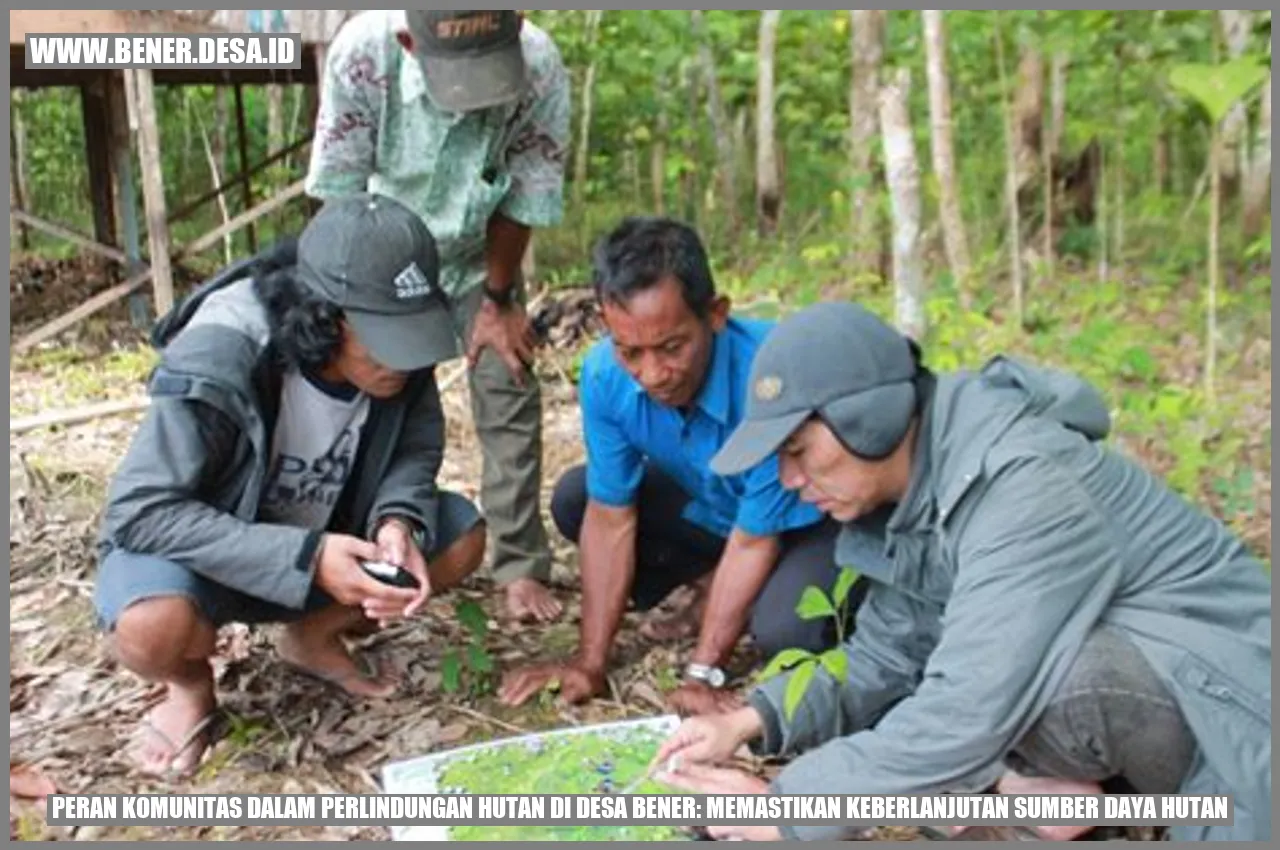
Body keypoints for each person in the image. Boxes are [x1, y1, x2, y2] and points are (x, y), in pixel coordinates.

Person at [652, 301, 1271, 842]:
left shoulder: (1020, 481)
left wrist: (790, 811)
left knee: (1044, 683)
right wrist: (746, 721)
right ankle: (1038, 795)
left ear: (870, 417)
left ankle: (1038, 794)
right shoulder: (913, 491)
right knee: (942, 692)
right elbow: (887, 656)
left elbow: (970, 706)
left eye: (798, 451)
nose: (788, 480)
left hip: (1234, 707)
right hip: (1151, 693)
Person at [93, 193, 487, 780]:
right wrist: (306, 558)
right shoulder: (222, 351)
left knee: (460, 535)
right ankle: (189, 687)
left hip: (329, 542)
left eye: (412, 333)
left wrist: (396, 521)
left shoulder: (401, 355)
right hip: (215, 559)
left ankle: (310, 635)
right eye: (384, 336)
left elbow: (415, 447)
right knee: (151, 626)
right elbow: (140, 511)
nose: (403, 360)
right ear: (324, 316)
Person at [497, 218, 872, 717]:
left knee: (787, 628)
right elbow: (611, 517)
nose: (652, 375)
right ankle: (714, 582)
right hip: (721, 509)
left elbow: (755, 536)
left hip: (807, 520)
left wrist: (702, 673)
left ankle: (738, 593)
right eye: (630, 351)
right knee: (577, 496)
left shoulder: (772, 375)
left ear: (716, 315)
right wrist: (589, 661)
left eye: (672, 348)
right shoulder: (604, 375)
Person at [305, 9, 571, 623]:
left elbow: (527, 191)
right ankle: (362, 549)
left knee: (509, 387)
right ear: (409, 42)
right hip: (376, 257)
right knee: (372, 394)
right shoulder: (362, 54)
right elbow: (340, 196)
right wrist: (356, 306)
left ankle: (520, 565)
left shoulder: (539, 65)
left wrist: (498, 301)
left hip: (481, 254)